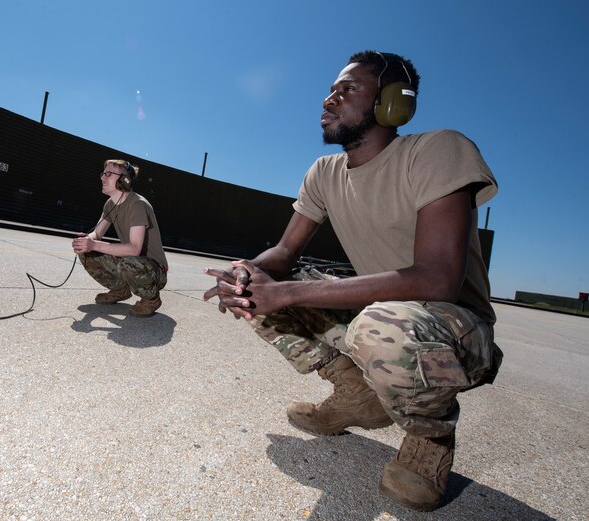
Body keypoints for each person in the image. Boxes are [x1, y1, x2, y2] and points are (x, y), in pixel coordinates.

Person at [203, 51, 502, 512]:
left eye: (347, 90)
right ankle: (358, 395)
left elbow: (438, 278)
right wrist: (245, 273)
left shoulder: (437, 150)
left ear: (392, 104)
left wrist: (289, 290)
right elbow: (283, 255)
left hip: (457, 329)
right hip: (385, 313)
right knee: (258, 288)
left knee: (376, 327)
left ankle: (431, 438)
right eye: (331, 89)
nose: (329, 99)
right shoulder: (323, 173)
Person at [72, 159, 168, 317]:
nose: (102, 177)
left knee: (127, 262)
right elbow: (97, 233)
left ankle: (152, 299)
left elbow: (134, 249)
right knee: (86, 251)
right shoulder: (110, 204)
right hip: (131, 262)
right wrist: (85, 241)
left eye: (108, 174)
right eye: (103, 173)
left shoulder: (137, 204)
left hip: (155, 271)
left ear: (125, 180)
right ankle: (120, 290)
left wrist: (94, 244)